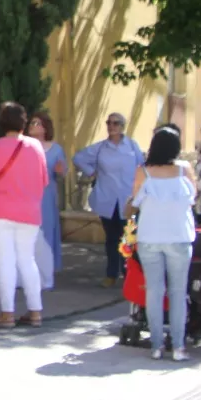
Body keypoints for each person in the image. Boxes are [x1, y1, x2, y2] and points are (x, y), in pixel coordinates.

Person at [0, 102, 50, 327]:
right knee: (27, 260)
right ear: (23, 122)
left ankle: (7, 313)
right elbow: (44, 180)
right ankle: (35, 312)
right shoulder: (36, 147)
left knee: (5, 262)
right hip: (29, 212)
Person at [131, 126, 198, 361]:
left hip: (149, 236)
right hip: (179, 236)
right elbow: (193, 198)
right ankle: (178, 347)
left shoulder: (143, 172)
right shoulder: (184, 170)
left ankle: (156, 346)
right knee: (178, 292)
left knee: (154, 291)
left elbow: (135, 201)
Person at [74, 113, 145, 288]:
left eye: (116, 123)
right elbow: (78, 158)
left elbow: (142, 167)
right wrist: (92, 172)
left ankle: (129, 275)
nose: (111, 126)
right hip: (108, 200)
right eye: (109, 123)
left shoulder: (132, 146)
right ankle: (111, 274)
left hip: (128, 200)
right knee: (111, 239)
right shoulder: (100, 148)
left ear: (122, 126)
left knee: (128, 239)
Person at [27, 111, 66, 291]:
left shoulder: (56, 149)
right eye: (31, 123)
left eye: (37, 123)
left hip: (46, 196)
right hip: (27, 195)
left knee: (46, 233)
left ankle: (45, 276)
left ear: (45, 128)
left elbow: (62, 173)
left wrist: (60, 171)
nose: (33, 126)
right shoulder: (24, 146)